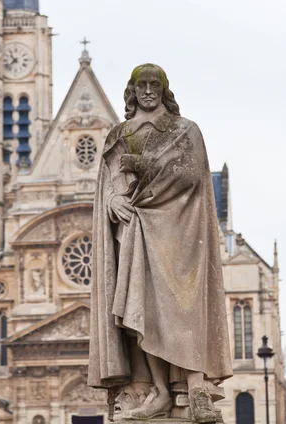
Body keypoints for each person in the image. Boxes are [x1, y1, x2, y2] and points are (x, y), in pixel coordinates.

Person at [88, 64, 232, 422]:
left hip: (179, 235)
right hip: (135, 233)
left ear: (165, 89)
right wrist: (112, 201)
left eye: (155, 85)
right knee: (142, 312)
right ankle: (159, 392)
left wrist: (144, 163)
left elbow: (189, 175)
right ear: (132, 91)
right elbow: (109, 183)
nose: (148, 91)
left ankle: (195, 388)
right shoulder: (117, 135)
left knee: (183, 309)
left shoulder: (185, 131)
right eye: (141, 85)